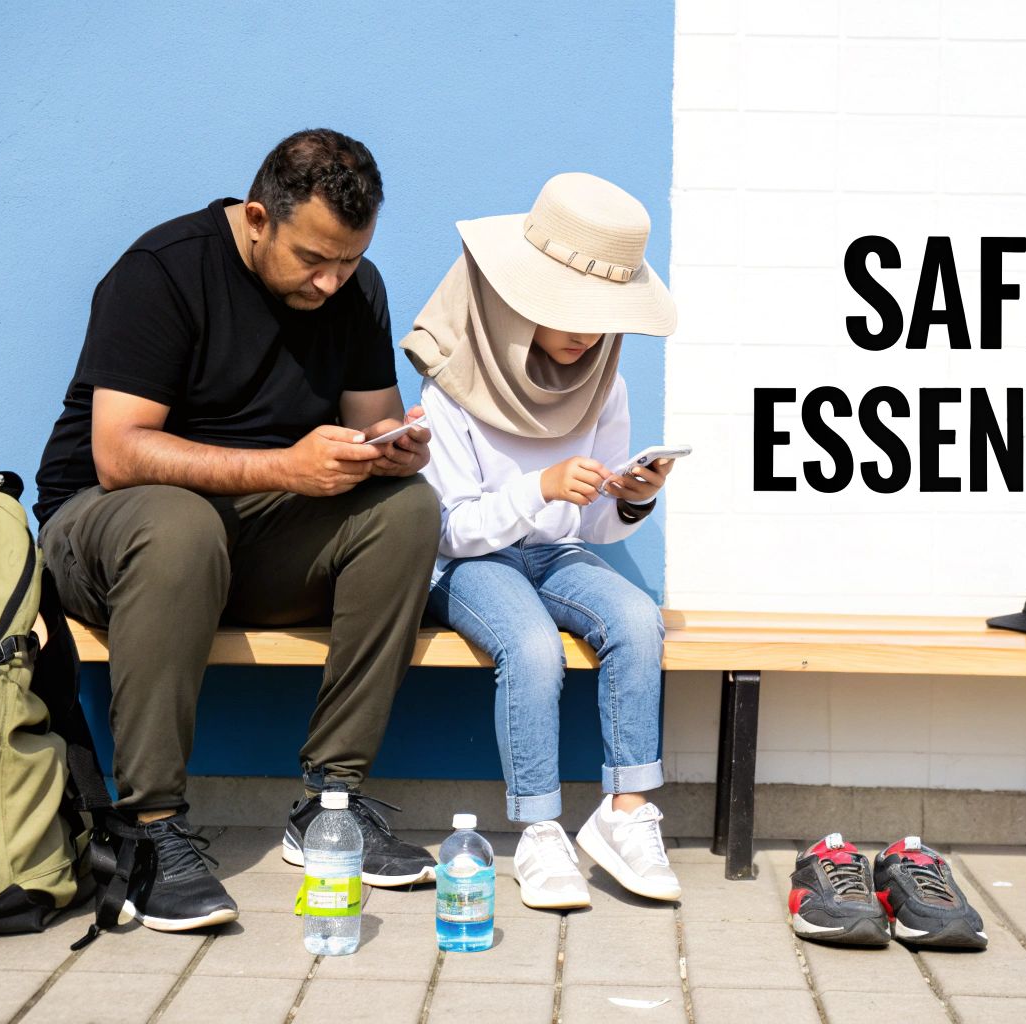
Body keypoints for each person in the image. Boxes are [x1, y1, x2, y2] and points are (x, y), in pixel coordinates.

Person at [33, 129, 440, 933]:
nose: (330, 282)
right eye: (313, 259)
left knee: (410, 510)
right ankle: (151, 832)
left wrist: (392, 449)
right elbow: (119, 455)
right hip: (110, 533)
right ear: (258, 218)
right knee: (178, 522)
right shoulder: (163, 270)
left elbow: (371, 420)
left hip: (246, 541)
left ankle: (331, 805)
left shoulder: (356, 290)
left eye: (349, 261)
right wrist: (284, 469)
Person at [403, 172, 682, 909]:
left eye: (601, 315)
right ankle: (538, 832)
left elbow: (583, 525)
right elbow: (451, 528)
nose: (585, 333)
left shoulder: (602, 382)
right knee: (528, 645)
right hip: (465, 561)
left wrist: (628, 500)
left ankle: (626, 815)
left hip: (553, 551)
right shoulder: (451, 387)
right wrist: (540, 488)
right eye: (565, 310)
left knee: (635, 620)